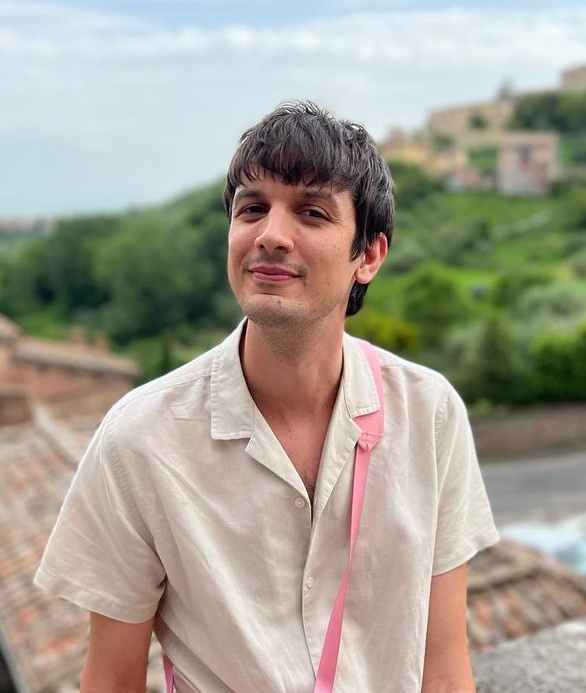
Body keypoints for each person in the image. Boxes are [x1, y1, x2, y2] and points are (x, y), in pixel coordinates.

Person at [34, 101, 499, 692]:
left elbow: (444, 666)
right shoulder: (141, 440)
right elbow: (111, 680)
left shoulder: (429, 414)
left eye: (311, 212)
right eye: (251, 208)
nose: (271, 236)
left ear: (368, 256)